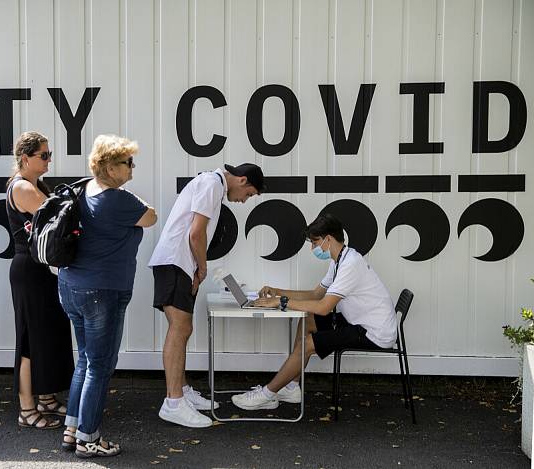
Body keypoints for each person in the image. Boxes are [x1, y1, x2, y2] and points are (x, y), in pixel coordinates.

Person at [231, 214, 397, 411]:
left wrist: (281, 302)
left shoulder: (351, 264)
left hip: (374, 332)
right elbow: (316, 294)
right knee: (309, 319)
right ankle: (292, 386)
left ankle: (266, 394)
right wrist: (278, 292)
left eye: (315, 242)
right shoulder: (339, 260)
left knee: (309, 343)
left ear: (328, 239)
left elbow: (324, 307)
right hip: (361, 322)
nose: (313, 248)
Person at [58, 135, 157, 458]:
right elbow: (151, 217)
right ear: (110, 167)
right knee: (100, 366)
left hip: (72, 285)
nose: (132, 168)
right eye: (128, 163)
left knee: (85, 359)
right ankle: (88, 438)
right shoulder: (118, 199)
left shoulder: (83, 190)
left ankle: (73, 429)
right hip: (104, 290)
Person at [148, 162, 263, 428]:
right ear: (242, 180)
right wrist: (202, 267)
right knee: (180, 328)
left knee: (182, 329)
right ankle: (173, 402)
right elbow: (196, 232)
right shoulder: (212, 184)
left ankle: (182, 391)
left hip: (179, 264)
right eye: (249, 194)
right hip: (176, 262)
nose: (245, 201)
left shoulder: (213, 185)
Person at [6, 131, 75, 430]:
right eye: (43, 155)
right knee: (30, 341)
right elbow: (60, 217)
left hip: (41, 269)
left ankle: (46, 397)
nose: (48, 160)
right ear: (25, 158)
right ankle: (26, 408)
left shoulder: (37, 186)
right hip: (29, 271)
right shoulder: (22, 188)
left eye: (49, 155)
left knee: (49, 335)